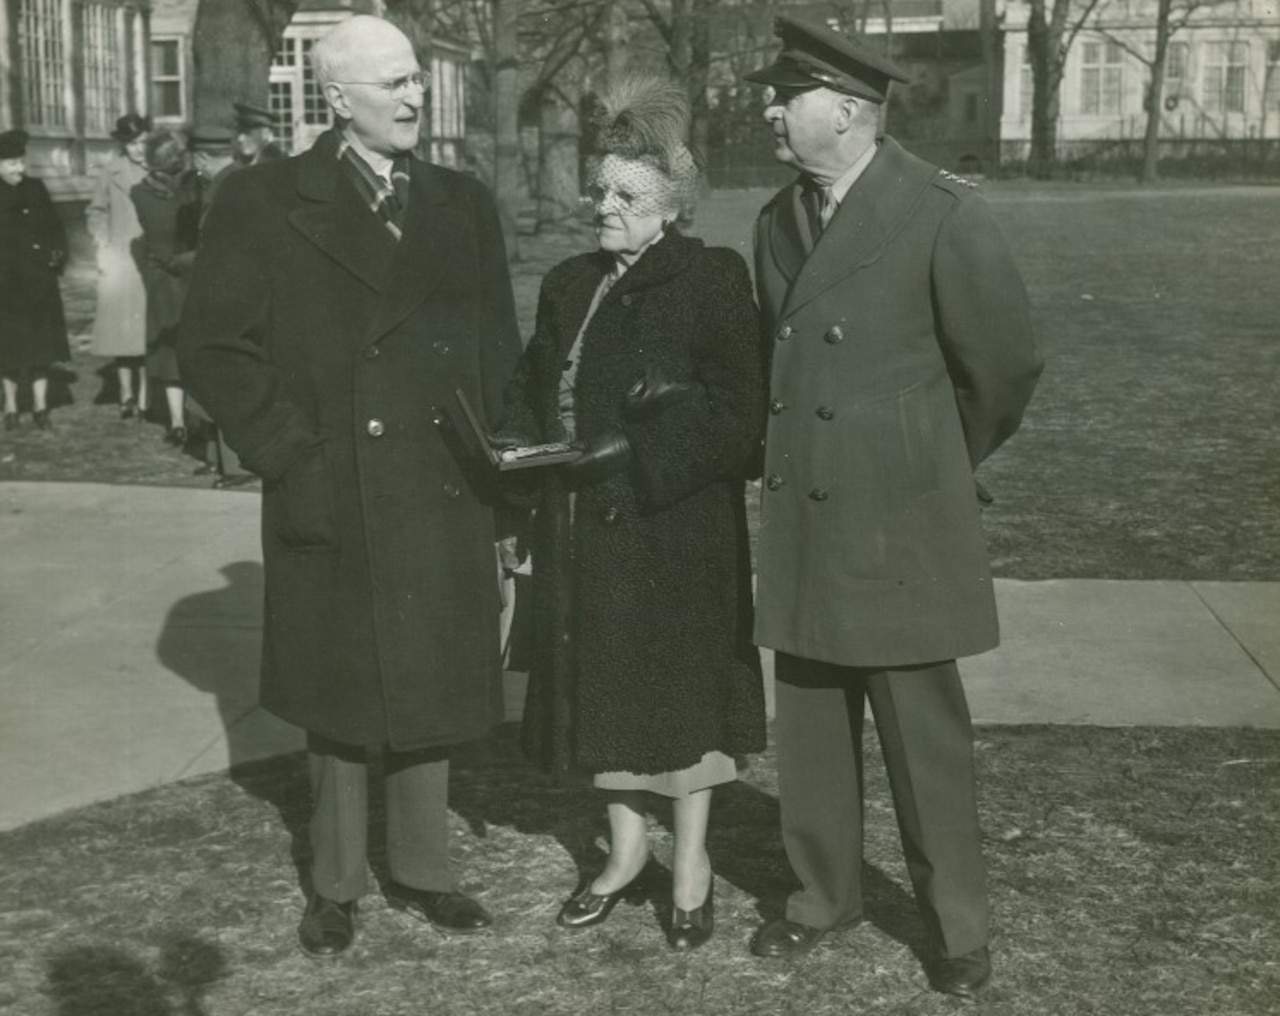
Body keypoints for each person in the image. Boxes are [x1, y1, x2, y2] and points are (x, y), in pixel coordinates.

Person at [178, 15, 522, 958]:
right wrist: (292, 451)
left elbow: (498, 357)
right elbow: (211, 346)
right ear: (336, 99)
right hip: (330, 481)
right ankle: (334, 882)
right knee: (337, 689)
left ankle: (423, 868)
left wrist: (504, 494)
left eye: (417, 80)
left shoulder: (462, 201)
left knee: (436, 672)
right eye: (392, 85)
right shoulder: (262, 198)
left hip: (445, 483)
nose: (414, 97)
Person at [743, 15, 1043, 999]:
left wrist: (928, 462)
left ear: (843, 109)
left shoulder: (938, 212)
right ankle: (819, 896)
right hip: (806, 518)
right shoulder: (774, 219)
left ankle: (957, 928)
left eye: (782, 99)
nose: (766, 112)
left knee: (923, 740)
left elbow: (1000, 366)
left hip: (898, 520)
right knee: (811, 726)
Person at [500, 73, 767, 951]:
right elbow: (535, 386)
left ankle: (689, 866)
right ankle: (621, 856)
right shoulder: (569, 283)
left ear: (670, 208)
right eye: (599, 190)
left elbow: (740, 415)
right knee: (602, 705)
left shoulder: (712, 280)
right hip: (582, 534)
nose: (601, 207)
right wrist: (513, 455)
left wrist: (641, 452)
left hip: (675, 534)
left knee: (682, 706)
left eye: (624, 195)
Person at [178, 125, 254, 487]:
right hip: (228, 292)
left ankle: (236, 465)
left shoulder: (228, 186)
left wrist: (179, 263)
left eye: (197, 163)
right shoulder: (235, 180)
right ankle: (216, 458)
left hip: (229, 297)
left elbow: (223, 249)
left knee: (227, 374)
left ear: (202, 157)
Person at [131, 127, 197, 446]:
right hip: (189, 276)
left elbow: (141, 244)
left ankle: (177, 421)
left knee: (170, 352)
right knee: (190, 346)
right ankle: (191, 419)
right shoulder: (192, 189)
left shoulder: (139, 193)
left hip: (162, 280)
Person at [0, 129, 70, 430]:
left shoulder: (36, 188)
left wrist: (57, 253)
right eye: (10, 163)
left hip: (38, 281)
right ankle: (12, 406)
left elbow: (55, 228)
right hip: (5, 286)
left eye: (20, 162)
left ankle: (41, 406)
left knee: (42, 347)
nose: (18, 169)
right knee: (9, 350)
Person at [87, 112, 150, 420]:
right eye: (133, 143)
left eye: (143, 142)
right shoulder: (109, 172)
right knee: (121, 331)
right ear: (124, 145)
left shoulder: (159, 169)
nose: (139, 149)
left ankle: (146, 392)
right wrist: (102, 245)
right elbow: (96, 211)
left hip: (151, 258)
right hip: (121, 258)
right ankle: (126, 393)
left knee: (149, 327)